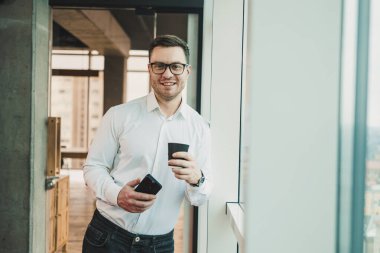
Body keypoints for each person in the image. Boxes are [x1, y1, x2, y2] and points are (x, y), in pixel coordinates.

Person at [82, 34, 213, 253]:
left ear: (187, 71)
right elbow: (92, 168)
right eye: (159, 66)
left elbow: (200, 198)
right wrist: (117, 195)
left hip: (158, 246)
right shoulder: (118, 115)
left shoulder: (200, 128)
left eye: (176, 66)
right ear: (149, 69)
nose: (167, 74)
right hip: (106, 236)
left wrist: (197, 179)